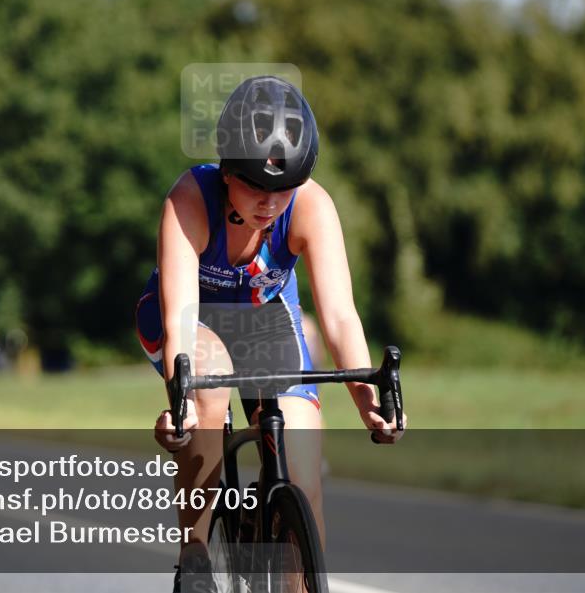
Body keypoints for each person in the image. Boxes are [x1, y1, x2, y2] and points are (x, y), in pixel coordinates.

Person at [135, 76, 407, 592]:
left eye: (283, 189)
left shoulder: (311, 206)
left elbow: (341, 316)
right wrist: (182, 400)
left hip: (264, 320)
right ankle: (193, 557)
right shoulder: (189, 200)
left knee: (302, 468)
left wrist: (368, 399)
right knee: (209, 387)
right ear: (227, 171)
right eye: (256, 187)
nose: (270, 203)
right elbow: (179, 315)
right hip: (190, 317)